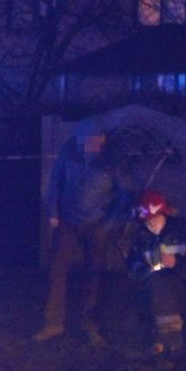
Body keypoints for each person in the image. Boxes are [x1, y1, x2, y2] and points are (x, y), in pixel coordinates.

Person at [35, 117, 130, 344]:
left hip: (97, 224)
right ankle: (53, 324)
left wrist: (108, 225)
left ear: (102, 139)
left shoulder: (114, 159)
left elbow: (125, 195)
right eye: (82, 140)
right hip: (68, 221)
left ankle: (88, 323)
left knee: (93, 274)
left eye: (90, 140)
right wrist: (54, 212)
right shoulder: (70, 151)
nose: (85, 144)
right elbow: (55, 181)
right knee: (57, 269)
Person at [125, 190, 186, 355]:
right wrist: (146, 271)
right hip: (152, 286)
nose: (150, 225)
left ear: (164, 213)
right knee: (153, 290)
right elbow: (133, 267)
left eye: (153, 219)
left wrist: (178, 263)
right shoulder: (140, 238)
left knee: (161, 289)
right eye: (146, 222)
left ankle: (172, 343)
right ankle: (157, 340)